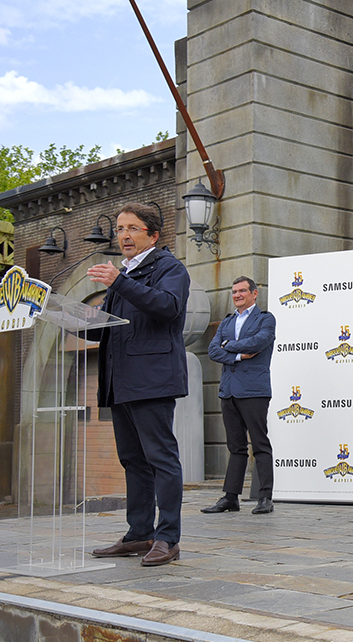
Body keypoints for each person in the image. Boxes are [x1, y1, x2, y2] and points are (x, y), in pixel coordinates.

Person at [88, 203, 189, 567]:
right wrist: (62, 316)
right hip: (121, 380)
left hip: (152, 379)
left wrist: (119, 282)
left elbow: (167, 307)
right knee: (133, 460)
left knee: (161, 458)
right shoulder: (126, 274)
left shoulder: (169, 268)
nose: (124, 235)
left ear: (153, 235)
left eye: (133, 228)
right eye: (119, 229)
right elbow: (106, 327)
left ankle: (167, 537)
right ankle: (138, 533)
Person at [202, 276, 276, 515]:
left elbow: (258, 342)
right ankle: (230, 497)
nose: (237, 295)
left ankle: (265, 497)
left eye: (242, 291)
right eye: (234, 292)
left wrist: (228, 345)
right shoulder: (227, 321)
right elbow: (213, 350)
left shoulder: (265, 319)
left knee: (260, 444)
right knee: (235, 447)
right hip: (229, 390)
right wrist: (237, 355)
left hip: (254, 390)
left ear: (254, 293)